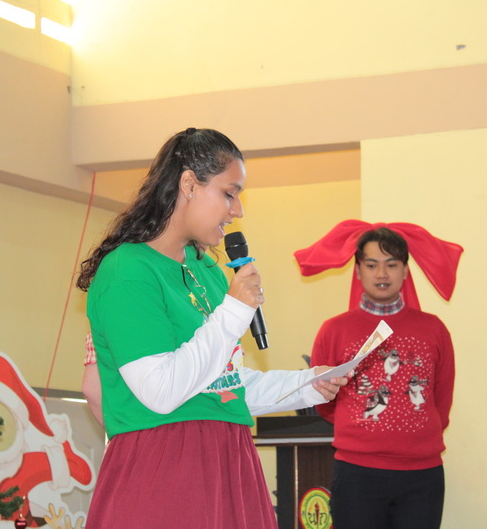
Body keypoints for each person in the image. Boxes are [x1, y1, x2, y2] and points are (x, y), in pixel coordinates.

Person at [75, 128, 347, 529]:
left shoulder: (209, 272)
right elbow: (161, 392)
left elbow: (223, 386)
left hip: (230, 462)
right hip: (165, 468)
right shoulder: (127, 271)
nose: (238, 210)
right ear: (189, 184)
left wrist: (307, 385)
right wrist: (233, 311)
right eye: (229, 193)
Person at [310, 227, 455, 529]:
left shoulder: (434, 329)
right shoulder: (334, 330)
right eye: (372, 264)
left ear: (405, 271)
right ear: (358, 271)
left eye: (391, 264)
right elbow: (323, 400)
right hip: (357, 473)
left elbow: (442, 397)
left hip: (422, 476)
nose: (382, 273)